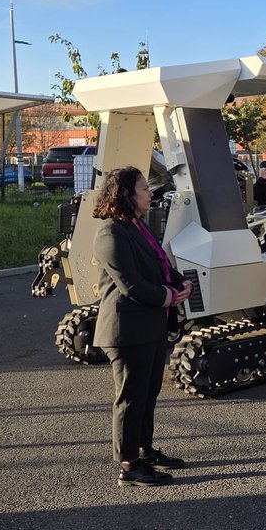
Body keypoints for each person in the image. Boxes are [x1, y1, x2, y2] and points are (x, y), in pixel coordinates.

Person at [91, 167, 193, 488]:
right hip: (127, 330)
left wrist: (179, 283)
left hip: (149, 326)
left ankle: (144, 450)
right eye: (144, 188)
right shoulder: (110, 233)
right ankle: (129, 465)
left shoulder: (136, 226)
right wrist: (171, 296)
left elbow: (159, 264)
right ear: (125, 195)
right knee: (131, 399)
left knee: (148, 394)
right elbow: (132, 284)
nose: (150, 193)